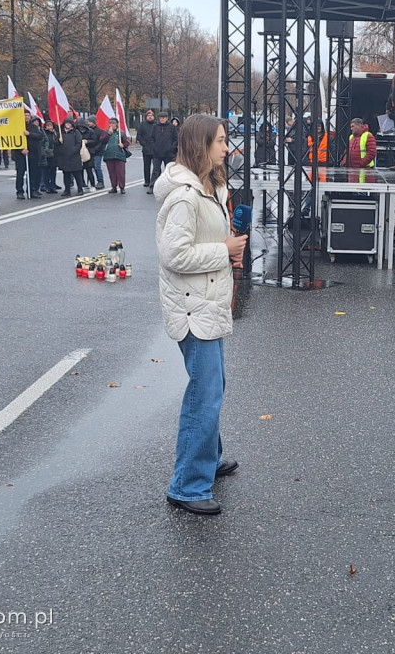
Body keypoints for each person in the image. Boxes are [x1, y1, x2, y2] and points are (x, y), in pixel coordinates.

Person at [154, 114, 247, 515]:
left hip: (205, 302)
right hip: (192, 307)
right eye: (221, 141)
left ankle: (206, 461)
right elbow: (174, 255)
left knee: (214, 385)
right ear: (201, 145)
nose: (227, 148)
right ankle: (188, 486)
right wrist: (224, 250)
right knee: (204, 393)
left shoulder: (209, 186)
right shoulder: (185, 197)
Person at [14, 109, 44, 199]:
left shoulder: (34, 127)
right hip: (21, 154)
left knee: (32, 173)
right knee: (20, 173)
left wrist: (29, 134)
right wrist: (21, 150)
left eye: (28, 115)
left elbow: (39, 136)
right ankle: (19, 191)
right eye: (25, 115)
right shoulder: (17, 127)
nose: (27, 117)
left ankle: (32, 190)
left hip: (33, 154)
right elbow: (13, 141)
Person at [147, 110, 178, 194]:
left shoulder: (172, 127)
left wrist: (172, 148)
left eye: (163, 118)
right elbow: (151, 138)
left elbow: (176, 139)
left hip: (169, 153)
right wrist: (154, 147)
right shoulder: (155, 127)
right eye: (160, 118)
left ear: (167, 118)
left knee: (169, 171)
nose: (162, 119)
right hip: (157, 153)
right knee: (155, 171)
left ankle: (172, 187)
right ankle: (152, 186)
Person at [56, 117, 86, 196]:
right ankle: (67, 190)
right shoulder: (61, 133)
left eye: (69, 123)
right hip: (64, 157)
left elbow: (78, 143)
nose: (68, 125)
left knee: (77, 174)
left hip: (74, 157)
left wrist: (72, 151)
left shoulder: (76, 132)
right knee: (66, 174)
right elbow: (55, 144)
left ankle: (80, 189)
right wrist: (59, 141)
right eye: (66, 123)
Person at [102, 117, 129, 193]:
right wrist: (108, 134)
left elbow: (127, 142)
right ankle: (114, 186)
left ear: (116, 124)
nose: (111, 125)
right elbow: (102, 140)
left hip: (119, 155)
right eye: (110, 123)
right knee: (112, 172)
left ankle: (122, 187)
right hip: (109, 155)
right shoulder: (105, 132)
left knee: (120, 172)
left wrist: (123, 145)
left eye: (113, 123)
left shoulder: (121, 133)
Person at [84, 116, 107, 189]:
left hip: (98, 152)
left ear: (94, 122)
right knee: (89, 167)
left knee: (97, 167)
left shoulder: (100, 131)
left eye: (90, 121)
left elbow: (101, 142)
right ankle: (90, 182)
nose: (88, 123)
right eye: (88, 121)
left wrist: (95, 149)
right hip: (89, 151)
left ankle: (100, 181)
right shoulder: (87, 130)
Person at [137, 109, 157, 187]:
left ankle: (156, 180)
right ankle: (147, 181)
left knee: (156, 167)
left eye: (151, 116)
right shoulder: (142, 125)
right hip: (146, 148)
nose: (150, 117)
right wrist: (143, 144)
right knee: (146, 166)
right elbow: (139, 135)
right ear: (146, 117)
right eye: (148, 116)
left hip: (155, 149)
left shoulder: (156, 125)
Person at [38, 118, 59, 193]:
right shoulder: (44, 133)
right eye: (48, 126)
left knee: (53, 171)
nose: (49, 127)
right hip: (46, 154)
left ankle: (53, 185)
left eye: (51, 125)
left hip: (54, 154)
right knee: (46, 171)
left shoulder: (55, 133)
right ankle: (47, 186)